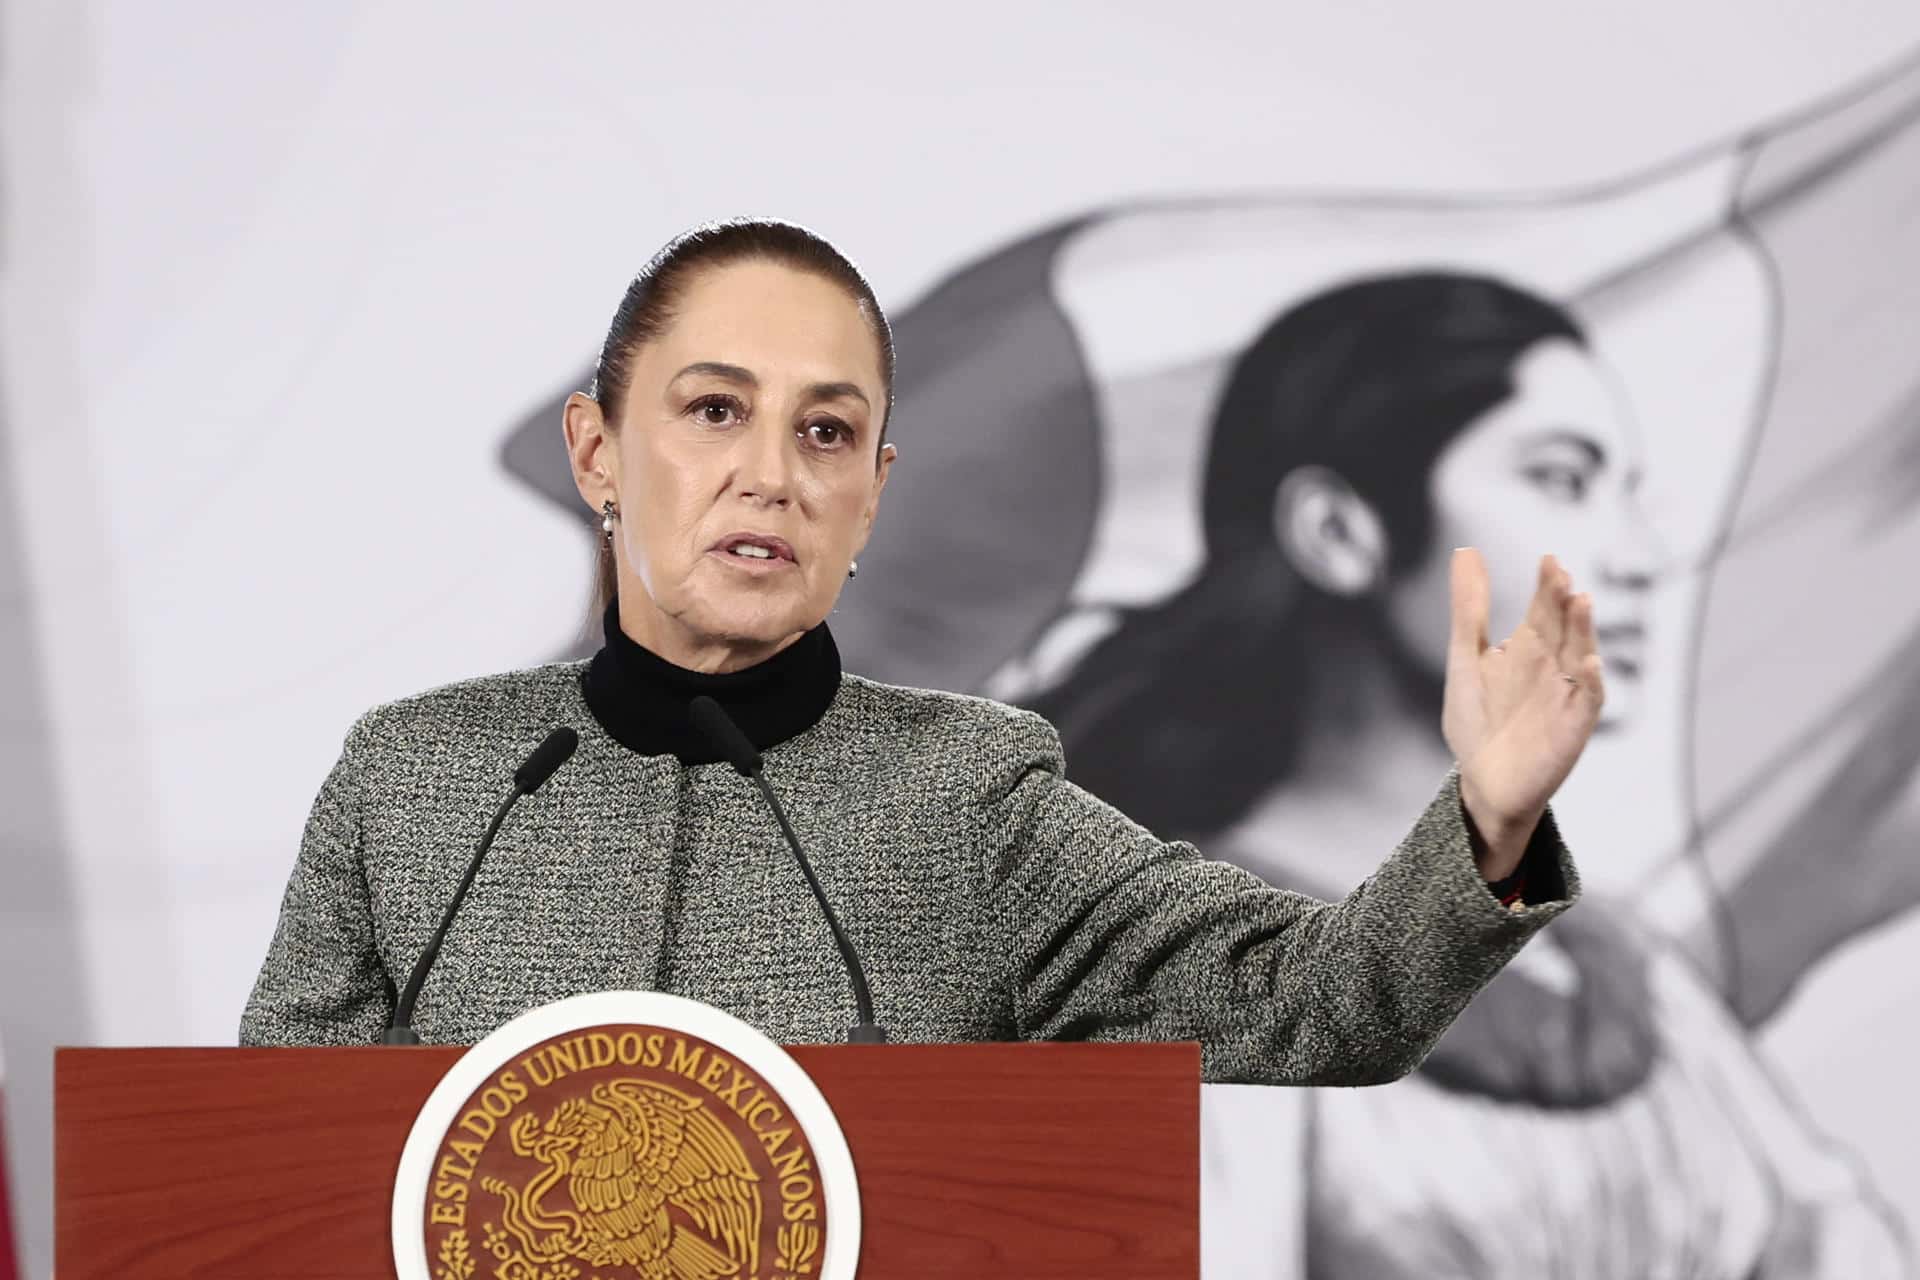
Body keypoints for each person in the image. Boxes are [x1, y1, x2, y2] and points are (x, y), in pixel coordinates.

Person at [240, 221, 1602, 1087]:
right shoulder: (415, 782)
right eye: (714, 411)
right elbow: (266, 1166)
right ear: (598, 453)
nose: (771, 475)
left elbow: (1318, 1005)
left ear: (871, 495)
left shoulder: (971, 798)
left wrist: (1488, 818)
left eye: (827, 433)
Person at [1021, 272, 1902, 1274]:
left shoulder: (1621, 969)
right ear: (1338, 532)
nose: (1641, 554)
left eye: (1628, 492)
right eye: (1562, 480)